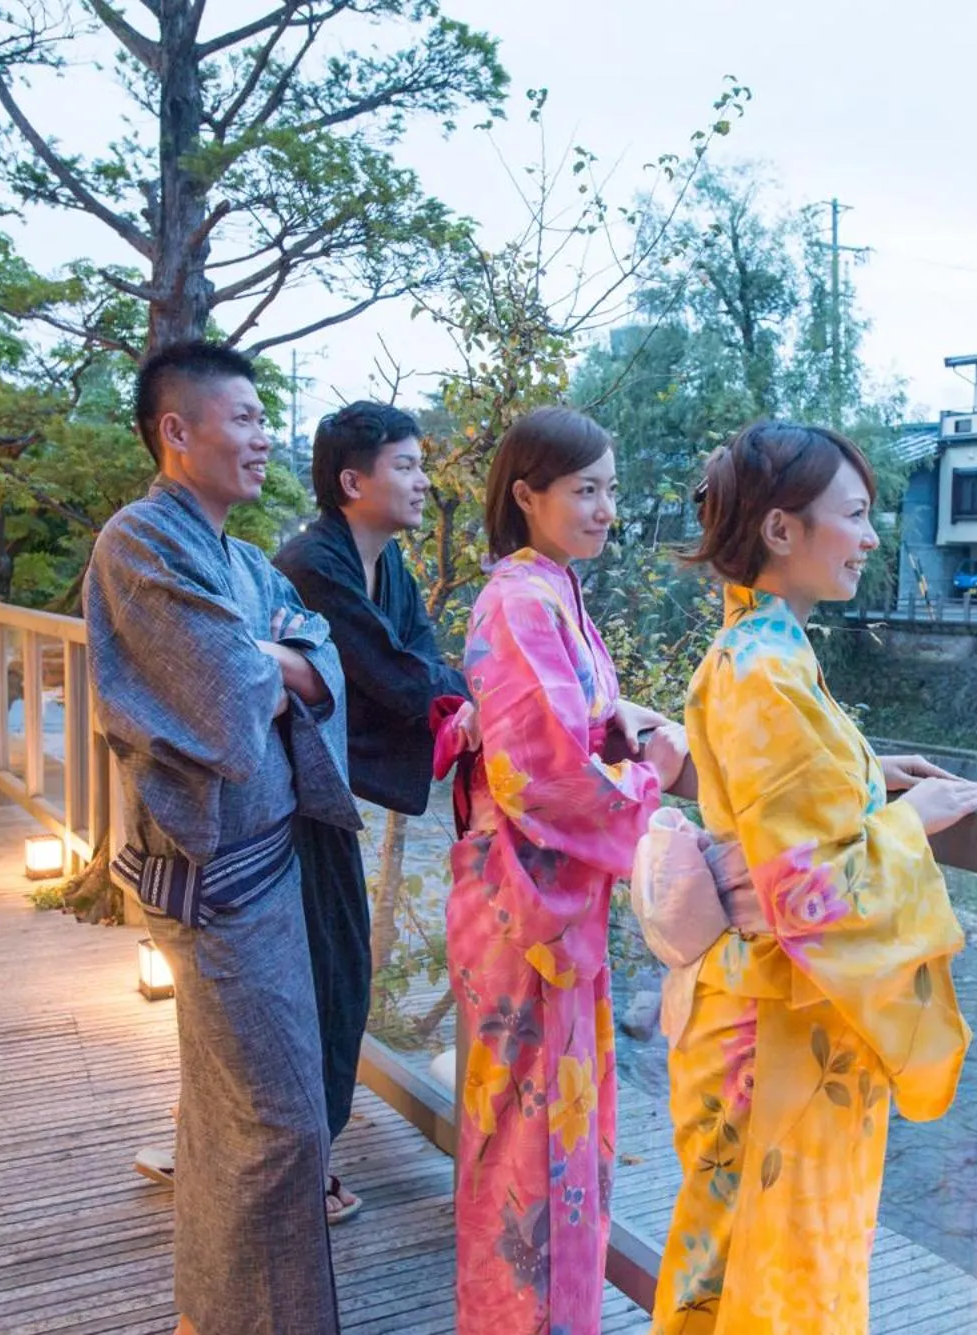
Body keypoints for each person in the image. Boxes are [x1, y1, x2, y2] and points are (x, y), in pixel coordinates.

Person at [653, 420, 977, 1334]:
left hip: (764, 1011)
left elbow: (782, 799)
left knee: (735, 1267)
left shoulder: (759, 649)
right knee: (780, 1277)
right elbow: (808, 890)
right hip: (776, 1025)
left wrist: (872, 771)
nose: (872, 538)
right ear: (781, 529)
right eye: (855, 514)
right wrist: (912, 820)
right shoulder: (767, 670)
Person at [87, 341, 357, 1335]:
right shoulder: (137, 544)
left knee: (226, 1115)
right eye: (241, 417)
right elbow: (222, 695)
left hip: (266, 866)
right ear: (176, 431)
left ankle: (208, 1312)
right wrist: (270, 660)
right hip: (213, 881)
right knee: (282, 1126)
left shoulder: (239, 559)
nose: (261, 437)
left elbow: (318, 657)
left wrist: (264, 656)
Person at [435, 406, 689, 1335]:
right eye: (586, 490)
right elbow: (542, 772)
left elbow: (568, 724)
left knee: (552, 1130)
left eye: (611, 490)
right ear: (527, 495)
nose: (606, 509)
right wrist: (649, 775)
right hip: (521, 904)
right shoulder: (519, 600)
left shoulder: (549, 591)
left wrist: (618, 724)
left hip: (543, 895)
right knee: (525, 1137)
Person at [272, 401, 471, 1222]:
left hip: (312, 793)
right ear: (353, 482)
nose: (423, 480)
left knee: (336, 971)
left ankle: (281, 1153)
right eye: (406, 465)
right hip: (271, 798)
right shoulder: (314, 565)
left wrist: (458, 695)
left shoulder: (386, 566)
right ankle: (292, 1167)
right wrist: (481, 702)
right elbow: (398, 678)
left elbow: (422, 664)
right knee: (313, 977)